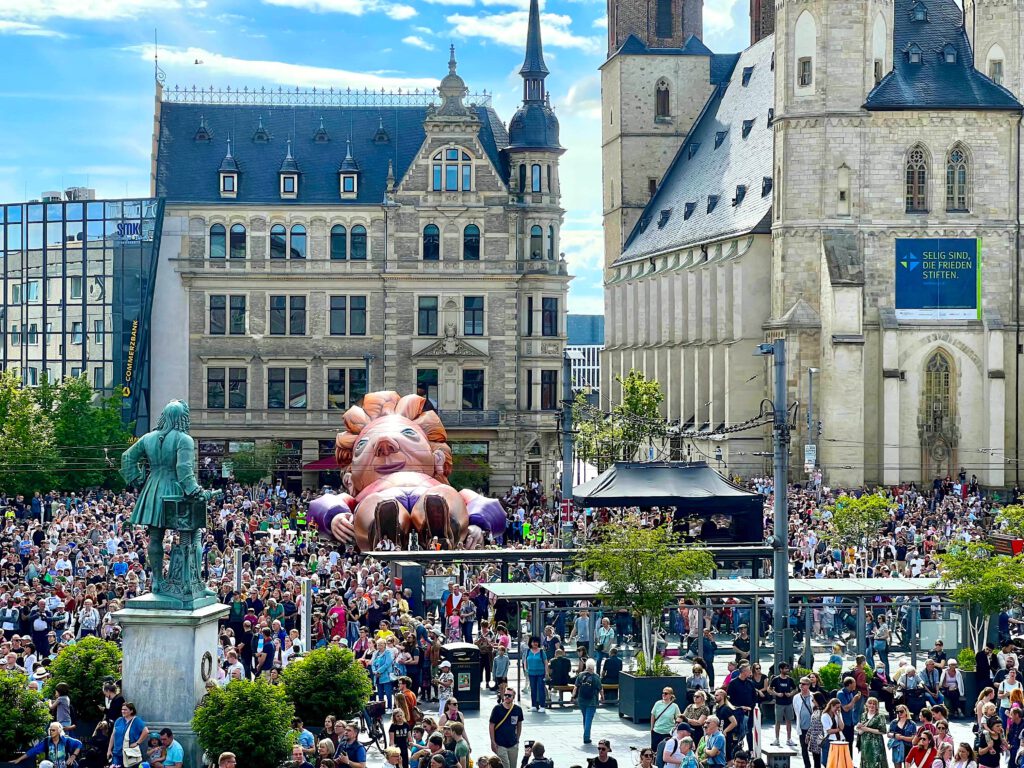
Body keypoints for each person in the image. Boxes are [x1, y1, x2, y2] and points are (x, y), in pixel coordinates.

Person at [13, 722, 83, 768]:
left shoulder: (66, 740)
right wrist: (19, 759)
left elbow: (79, 744)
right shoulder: (47, 741)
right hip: (52, 766)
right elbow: (33, 751)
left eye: (53, 730)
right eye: (50, 730)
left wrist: (73, 757)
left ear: (59, 731)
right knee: (43, 764)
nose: (51, 732)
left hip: (66, 766)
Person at [488, 689, 524, 768]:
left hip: (513, 743)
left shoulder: (518, 709)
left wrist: (517, 738)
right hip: (500, 744)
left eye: (509, 695)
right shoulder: (497, 709)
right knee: (505, 766)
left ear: (513, 697)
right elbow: (491, 725)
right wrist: (493, 741)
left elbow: (519, 724)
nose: (507, 697)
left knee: (513, 766)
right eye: (505, 695)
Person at [107, 702, 148, 768]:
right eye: (122, 709)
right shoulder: (118, 720)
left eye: (125, 709)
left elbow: (146, 731)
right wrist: (109, 750)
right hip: (117, 753)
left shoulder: (136, 720)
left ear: (131, 711)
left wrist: (137, 743)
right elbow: (113, 735)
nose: (123, 711)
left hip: (129, 754)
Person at [572, 657, 602, 744]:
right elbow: (600, 689)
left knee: (585, 718)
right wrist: (602, 697)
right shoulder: (596, 677)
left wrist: (573, 696)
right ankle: (586, 737)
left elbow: (576, 687)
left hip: (581, 700)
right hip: (592, 701)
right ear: (594, 667)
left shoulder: (581, 675)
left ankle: (586, 734)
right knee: (588, 719)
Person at [768, 662, 797, 747]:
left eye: (787, 668)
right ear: (781, 669)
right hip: (779, 703)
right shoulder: (776, 679)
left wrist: (791, 694)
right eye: (785, 668)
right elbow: (769, 689)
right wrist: (776, 694)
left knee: (789, 721)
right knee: (778, 721)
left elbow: (795, 689)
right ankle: (777, 739)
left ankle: (789, 739)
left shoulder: (790, 679)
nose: (787, 670)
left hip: (788, 703)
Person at [855, 697, 888, 768]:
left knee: (875, 762)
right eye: (870, 703)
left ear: (877, 706)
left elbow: (883, 731)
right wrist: (858, 728)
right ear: (866, 705)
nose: (872, 705)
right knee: (866, 762)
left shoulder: (880, 716)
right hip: (865, 744)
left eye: (874, 704)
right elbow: (860, 731)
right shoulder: (863, 715)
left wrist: (867, 729)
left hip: (876, 745)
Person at [792, 678, 815, 768]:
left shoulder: (813, 696)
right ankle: (807, 766)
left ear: (808, 685)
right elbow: (796, 710)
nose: (801, 685)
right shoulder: (796, 697)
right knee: (804, 749)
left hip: (813, 728)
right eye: (800, 683)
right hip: (802, 727)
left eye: (804, 684)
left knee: (815, 749)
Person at [524, 637, 549, 711]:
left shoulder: (541, 652)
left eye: (536, 642)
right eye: (533, 642)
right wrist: (526, 669)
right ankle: (533, 705)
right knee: (533, 689)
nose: (535, 643)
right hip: (531, 673)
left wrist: (546, 672)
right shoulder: (528, 651)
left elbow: (546, 662)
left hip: (540, 673)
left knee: (541, 689)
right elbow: (525, 661)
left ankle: (542, 706)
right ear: (530, 643)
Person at [818, 699, 842, 767]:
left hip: (838, 739)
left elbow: (842, 727)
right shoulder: (825, 716)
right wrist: (838, 729)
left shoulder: (837, 714)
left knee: (836, 761)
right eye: (836, 707)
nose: (838, 709)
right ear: (831, 705)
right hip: (828, 740)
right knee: (827, 762)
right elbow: (829, 731)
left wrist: (838, 716)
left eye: (839, 707)